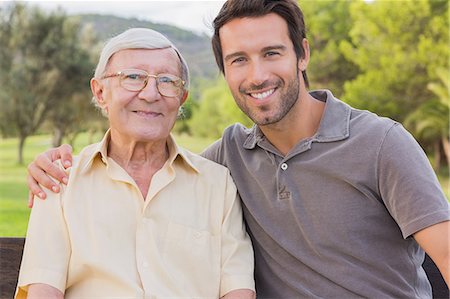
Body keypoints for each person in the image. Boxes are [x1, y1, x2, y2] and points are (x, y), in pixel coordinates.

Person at [27, 0, 450, 297]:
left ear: (302, 54)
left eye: (272, 53)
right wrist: (48, 165)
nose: (258, 74)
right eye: (239, 60)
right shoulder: (229, 159)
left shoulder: (381, 144)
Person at [16, 27, 255, 299]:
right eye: (133, 77)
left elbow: (238, 292)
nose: (151, 94)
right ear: (100, 92)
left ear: (181, 99)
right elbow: (43, 292)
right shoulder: (59, 180)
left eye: (167, 81)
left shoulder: (218, 185)